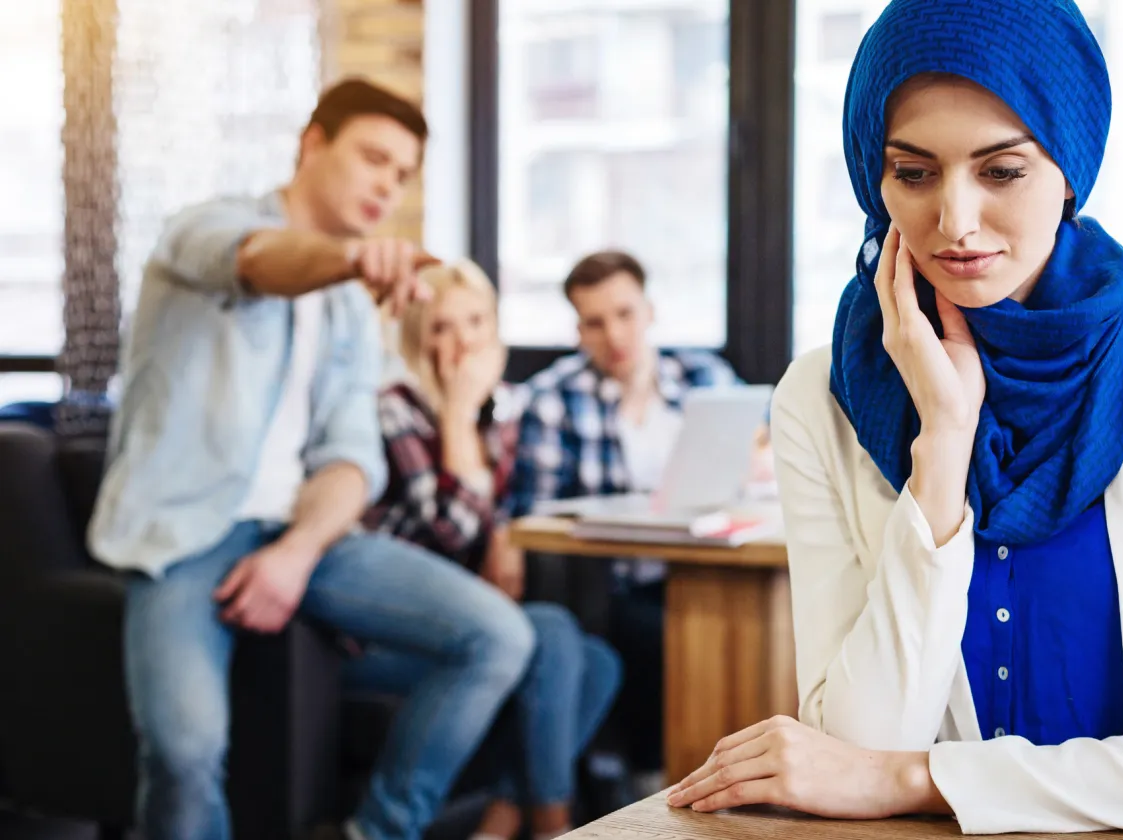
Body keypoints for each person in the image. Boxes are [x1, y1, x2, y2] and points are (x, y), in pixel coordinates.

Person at [667, 0, 1123, 834]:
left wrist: (915, 780)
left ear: (1070, 164)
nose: (957, 221)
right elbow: (852, 748)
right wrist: (942, 443)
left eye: (1002, 171)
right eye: (914, 172)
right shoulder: (825, 397)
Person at [87, 79, 537, 840]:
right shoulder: (207, 230)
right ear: (312, 144)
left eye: (401, 175)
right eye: (373, 158)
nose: (386, 185)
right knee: (186, 749)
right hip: (184, 532)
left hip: (309, 538)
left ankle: (377, 833)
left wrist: (297, 550)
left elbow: (351, 459)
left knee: (501, 636)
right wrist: (353, 260)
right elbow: (262, 261)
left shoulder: (351, 315)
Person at [362, 259, 622, 840]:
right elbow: (453, 529)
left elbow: (519, 502)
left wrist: (503, 534)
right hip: (399, 628)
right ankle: (550, 824)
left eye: (475, 322)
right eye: (442, 327)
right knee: (554, 630)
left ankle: (503, 818)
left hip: (480, 616)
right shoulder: (395, 406)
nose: (463, 342)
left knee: (600, 663)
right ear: (417, 338)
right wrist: (454, 412)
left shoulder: (505, 409)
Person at [504, 250, 741, 791]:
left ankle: (729, 783)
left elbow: (766, 459)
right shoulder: (554, 398)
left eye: (624, 314)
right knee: (656, 635)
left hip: (710, 570)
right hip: (612, 583)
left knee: (739, 631)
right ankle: (656, 780)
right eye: (594, 322)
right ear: (578, 329)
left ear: (650, 311)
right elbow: (532, 516)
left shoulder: (706, 379)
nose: (614, 335)